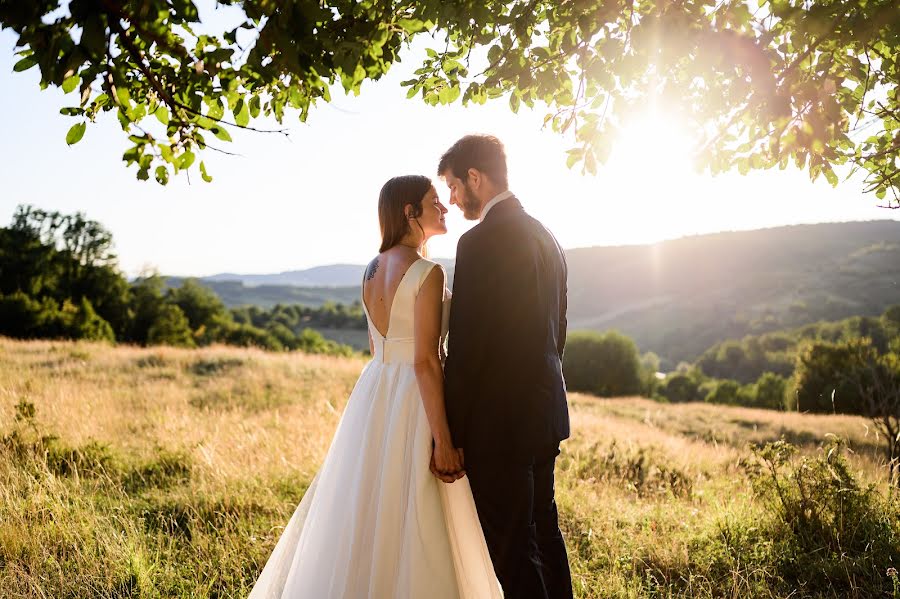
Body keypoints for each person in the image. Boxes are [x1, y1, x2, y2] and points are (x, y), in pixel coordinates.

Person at [247, 175, 501, 599]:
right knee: (414, 509)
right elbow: (424, 360)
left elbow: (377, 344)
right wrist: (443, 440)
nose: (443, 208)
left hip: (376, 390)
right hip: (413, 396)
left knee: (368, 505)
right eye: (433, 202)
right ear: (409, 212)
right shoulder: (427, 271)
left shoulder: (371, 269)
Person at [440, 134, 573, 599]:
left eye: (455, 187)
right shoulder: (547, 236)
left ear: (475, 177)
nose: (452, 200)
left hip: (499, 425)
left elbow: (468, 347)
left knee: (513, 550)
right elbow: (557, 331)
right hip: (544, 413)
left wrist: (450, 433)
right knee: (546, 535)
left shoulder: (478, 243)